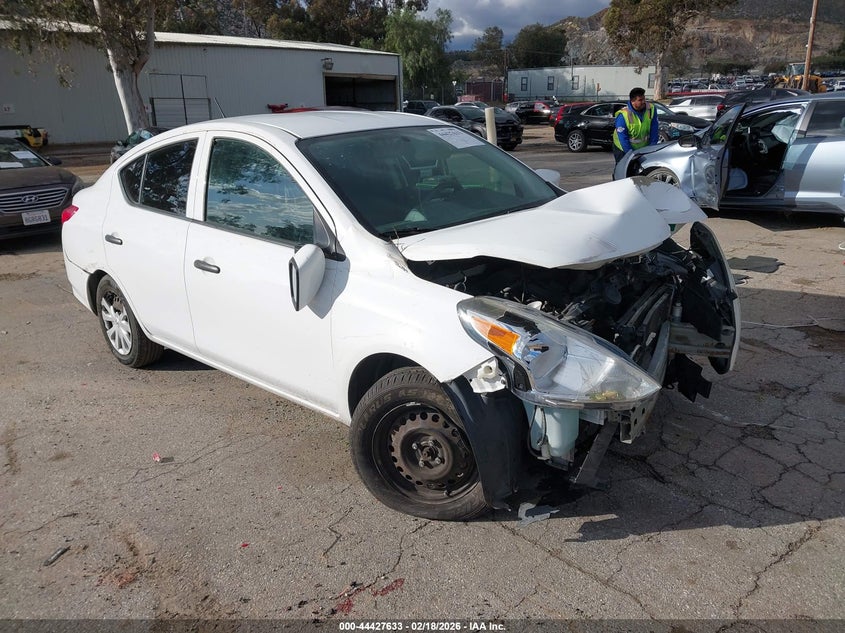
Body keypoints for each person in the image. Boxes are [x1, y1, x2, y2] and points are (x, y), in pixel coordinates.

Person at [612, 87, 659, 165]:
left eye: (644, 99)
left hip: (643, 148)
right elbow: (623, 139)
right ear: (632, 101)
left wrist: (651, 149)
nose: (644, 102)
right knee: (624, 171)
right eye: (640, 100)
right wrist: (632, 155)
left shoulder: (651, 109)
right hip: (623, 149)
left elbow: (654, 130)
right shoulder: (623, 115)